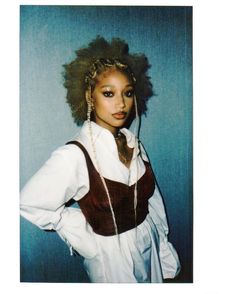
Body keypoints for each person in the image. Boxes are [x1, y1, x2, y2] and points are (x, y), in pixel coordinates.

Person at [20, 36, 180, 283]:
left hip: (150, 245)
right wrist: (87, 238)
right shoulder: (75, 155)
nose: (121, 103)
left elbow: (153, 199)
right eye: (108, 93)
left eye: (127, 93)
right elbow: (29, 203)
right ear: (89, 96)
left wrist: (162, 242)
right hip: (113, 259)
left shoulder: (134, 143)